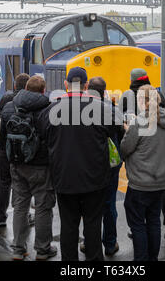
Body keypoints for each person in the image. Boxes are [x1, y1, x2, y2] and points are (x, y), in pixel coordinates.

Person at [40, 67, 114, 261]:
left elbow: (43, 135)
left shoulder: (52, 109)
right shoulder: (100, 108)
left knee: (68, 225)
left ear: (65, 85)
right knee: (93, 224)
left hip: (64, 178)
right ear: (87, 85)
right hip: (95, 178)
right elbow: (114, 132)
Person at [119, 68, 165, 242]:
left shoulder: (129, 99)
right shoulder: (163, 106)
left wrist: (129, 129)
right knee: (156, 214)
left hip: (141, 175)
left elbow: (125, 148)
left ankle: (140, 243)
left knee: (137, 218)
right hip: (160, 172)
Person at [3, 75, 56, 261]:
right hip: (41, 167)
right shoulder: (49, 110)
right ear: (43, 90)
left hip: (16, 165)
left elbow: (3, 142)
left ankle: (18, 249)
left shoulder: (10, 106)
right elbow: (53, 141)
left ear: (25, 87)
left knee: (20, 207)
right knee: (43, 207)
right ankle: (42, 250)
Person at [86, 77, 124, 256]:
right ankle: (110, 243)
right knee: (109, 205)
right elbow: (122, 136)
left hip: (89, 165)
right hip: (110, 166)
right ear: (104, 91)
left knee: (89, 206)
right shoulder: (113, 111)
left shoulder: (82, 111)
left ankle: (89, 242)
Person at [0, 73, 30, 227]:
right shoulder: (31, 103)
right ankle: (21, 213)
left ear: (15, 86)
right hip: (22, 149)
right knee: (21, 183)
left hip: (4, 149)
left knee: (4, 183)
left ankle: (0, 217)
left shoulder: (5, 100)